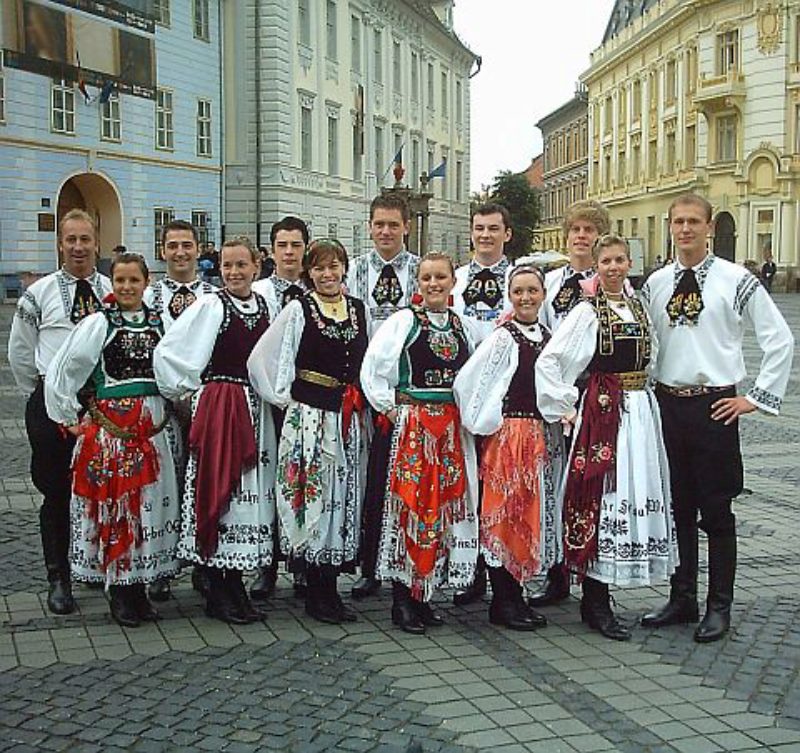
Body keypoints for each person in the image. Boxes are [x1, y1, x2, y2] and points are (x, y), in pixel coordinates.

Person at [641, 194, 793, 643]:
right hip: (669, 405)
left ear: (709, 227)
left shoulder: (736, 279)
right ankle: (682, 596)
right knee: (678, 508)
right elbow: (647, 340)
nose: (685, 229)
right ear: (670, 227)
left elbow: (779, 339)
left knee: (717, 511)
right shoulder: (657, 283)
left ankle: (718, 606)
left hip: (715, 407)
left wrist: (755, 398)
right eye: (678, 222)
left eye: (693, 222)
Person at [536, 234, 678, 641]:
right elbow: (553, 360)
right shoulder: (587, 312)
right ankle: (594, 599)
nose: (614, 268)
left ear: (629, 263)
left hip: (639, 411)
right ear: (595, 268)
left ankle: (603, 592)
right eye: (606, 262)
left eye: (620, 261)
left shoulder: (639, 307)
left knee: (630, 493)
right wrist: (566, 404)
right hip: (605, 413)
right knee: (604, 494)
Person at [44, 253, 181, 627]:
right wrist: (67, 415)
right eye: (120, 280)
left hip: (153, 431)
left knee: (148, 506)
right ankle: (121, 592)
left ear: (146, 282)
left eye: (133, 280)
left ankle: (138, 588)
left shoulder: (161, 322)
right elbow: (67, 367)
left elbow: (178, 364)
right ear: (112, 283)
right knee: (118, 507)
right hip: (113, 431)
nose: (126, 287)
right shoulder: (98, 324)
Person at [154, 237, 276, 625]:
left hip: (256, 408)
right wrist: (188, 393)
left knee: (248, 491)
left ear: (257, 266)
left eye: (242, 265)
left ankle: (234, 582)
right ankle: (219, 585)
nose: (235, 273)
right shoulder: (211, 306)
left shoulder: (265, 305)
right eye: (227, 266)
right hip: (223, 406)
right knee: (222, 487)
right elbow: (171, 352)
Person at [248, 239, 369, 625]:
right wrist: (284, 398)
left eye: (334, 266)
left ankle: (330, 586)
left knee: (341, 499)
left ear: (344, 268)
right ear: (308, 273)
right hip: (311, 419)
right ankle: (316, 590)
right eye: (319, 268)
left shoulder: (358, 310)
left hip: (346, 417)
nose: (327, 274)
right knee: (313, 499)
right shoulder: (298, 309)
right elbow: (263, 358)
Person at [361, 252, 479, 634]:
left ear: (452, 283)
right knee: (411, 508)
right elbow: (373, 369)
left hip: (450, 429)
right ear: (418, 283)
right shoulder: (403, 321)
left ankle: (425, 594)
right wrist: (389, 408)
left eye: (440, 277)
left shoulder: (464, 326)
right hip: (414, 425)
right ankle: (401, 598)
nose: (434, 284)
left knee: (442, 509)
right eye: (427, 278)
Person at [8, 209, 112, 615]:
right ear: (60, 244)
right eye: (71, 240)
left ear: (97, 242)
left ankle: (104, 567)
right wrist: (43, 394)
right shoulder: (41, 293)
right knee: (56, 492)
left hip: (101, 407)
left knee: (106, 489)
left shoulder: (112, 287)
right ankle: (59, 576)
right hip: (53, 405)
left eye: (85, 239)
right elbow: (20, 350)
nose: (79, 247)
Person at [455, 265, 560, 631]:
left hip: (537, 434)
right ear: (509, 296)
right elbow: (470, 382)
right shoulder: (503, 338)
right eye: (519, 291)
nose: (526, 298)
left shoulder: (546, 336)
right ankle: (503, 600)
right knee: (506, 516)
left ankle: (516, 594)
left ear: (543, 294)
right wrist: (486, 422)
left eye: (532, 291)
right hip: (510, 436)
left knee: (526, 515)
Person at [529, 199, 610, 611]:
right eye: (576, 229)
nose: (581, 237)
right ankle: (556, 572)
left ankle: (592, 577)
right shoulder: (551, 280)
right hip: (551, 389)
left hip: (592, 392)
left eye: (589, 231)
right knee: (555, 480)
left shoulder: (610, 281)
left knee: (589, 483)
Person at [347, 195, 420, 601]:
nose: (386, 232)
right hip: (365, 392)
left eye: (393, 224)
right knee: (371, 481)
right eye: (379, 224)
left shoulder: (421, 271)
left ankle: (408, 562)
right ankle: (370, 564)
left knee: (406, 482)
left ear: (406, 226)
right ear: (370, 226)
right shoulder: (356, 271)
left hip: (408, 395)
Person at [145, 219, 217, 602]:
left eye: (186, 245)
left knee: (204, 484)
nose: (180, 252)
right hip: (162, 406)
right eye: (172, 245)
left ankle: (205, 563)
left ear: (198, 248)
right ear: (163, 250)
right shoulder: (149, 297)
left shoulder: (213, 295)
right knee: (163, 487)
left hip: (205, 405)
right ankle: (160, 566)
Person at [448, 202, 514, 607]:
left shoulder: (521, 279)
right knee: (469, 484)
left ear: (507, 233)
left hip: (507, 397)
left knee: (501, 486)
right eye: (479, 228)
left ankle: (503, 570)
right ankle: (470, 568)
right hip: (463, 393)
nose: (485, 235)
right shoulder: (454, 279)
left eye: (493, 228)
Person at [250, 216, 310, 601]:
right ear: (271, 251)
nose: (289, 252)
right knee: (268, 480)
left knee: (304, 482)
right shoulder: (258, 294)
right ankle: (266, 564)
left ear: (306, 247)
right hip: (265, 400)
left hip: (306, 402)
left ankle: (302, 563)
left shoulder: (318, 288)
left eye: (296, 245)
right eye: (282, 245)